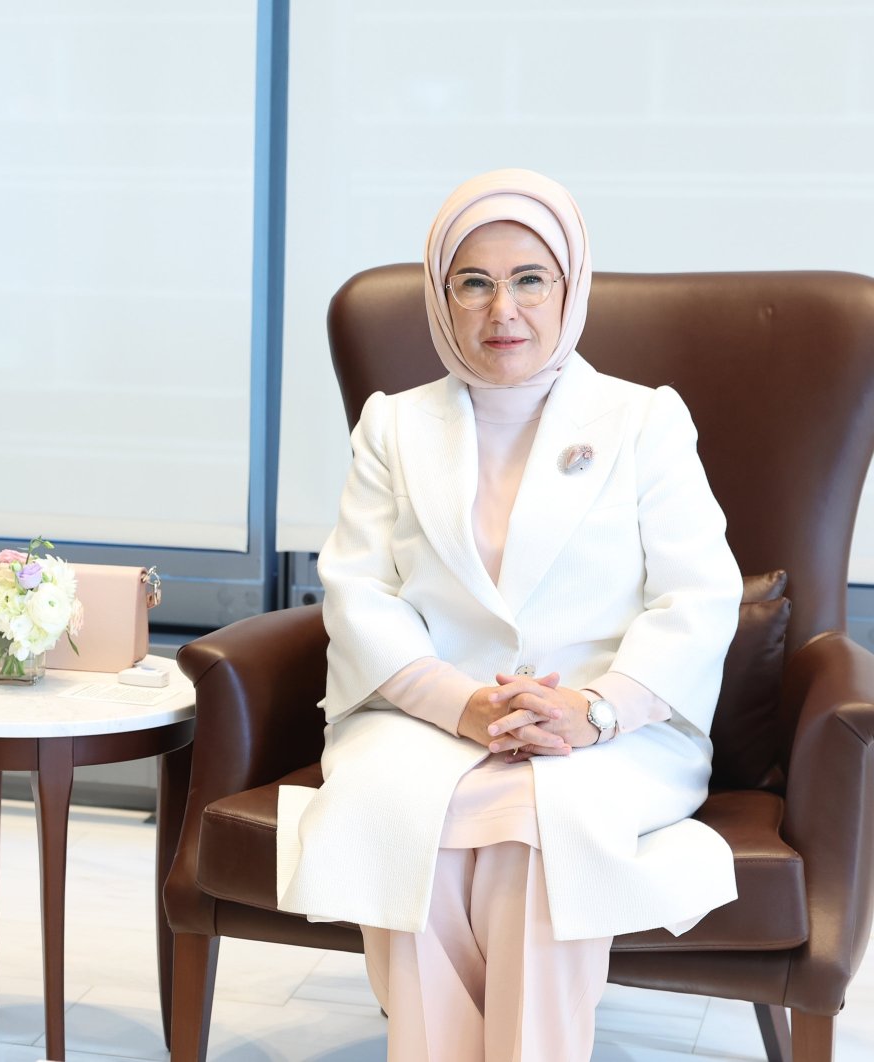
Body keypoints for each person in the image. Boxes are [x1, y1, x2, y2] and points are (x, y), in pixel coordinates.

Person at [275, 169, 743, 1061]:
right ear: (439, 297)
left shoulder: (644, 421)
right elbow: (360, 590)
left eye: (531, 278)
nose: (505, 310)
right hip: (427, 717)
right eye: (474, 282)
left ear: (571, 288)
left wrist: (594, 709)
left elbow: (699, 594)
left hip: (613, 725)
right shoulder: (393, 427)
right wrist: (462, 705)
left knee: (538, 831)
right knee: (408, 816)